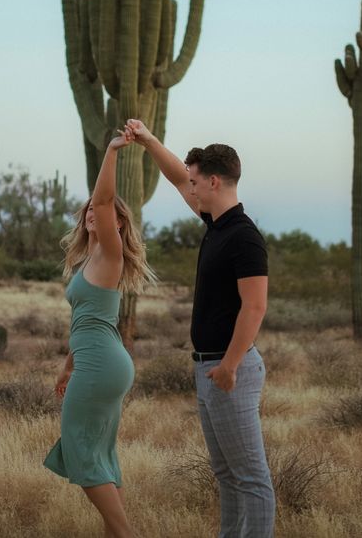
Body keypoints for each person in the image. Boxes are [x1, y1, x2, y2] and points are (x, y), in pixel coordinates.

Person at [127, 119, 275, 538]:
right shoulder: (217, 224)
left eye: (195, 183)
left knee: (252, 479)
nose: (189, 189)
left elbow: (255, 306)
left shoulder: (244, 237)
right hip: (209, 369)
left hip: (233, 371)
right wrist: (150, 141)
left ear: (213, 181)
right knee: (227, 475)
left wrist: (229, 366)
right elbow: (177, 176)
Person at [44, 128, 153, 538]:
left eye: (102, 211)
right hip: (97, 360)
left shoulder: (109, 253)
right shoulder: (89, 259)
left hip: (102, 365)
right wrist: (66, 367)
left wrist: (111, 151)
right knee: (101, 454)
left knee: (80, 447)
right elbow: (86, 323)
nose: (94, 211)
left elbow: (105, 198)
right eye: (88, 209)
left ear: (118, 224)